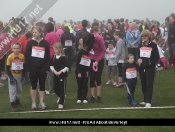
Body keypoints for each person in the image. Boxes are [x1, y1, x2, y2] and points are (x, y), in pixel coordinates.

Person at [25, 26, 50, 110]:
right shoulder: (30, 43)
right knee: (33, 85)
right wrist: (27, 68)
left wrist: (47, 68)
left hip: (43, 67)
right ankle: (33, 103)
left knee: (42, 84)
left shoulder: (45, 43)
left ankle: (41, 102)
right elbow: (27, 55)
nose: (34, 34)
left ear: (40, 33)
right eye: (33, 32)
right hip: (33, 66)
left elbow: (47, 56)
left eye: (36, 32)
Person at [138, 29, 159, 108]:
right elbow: (139, 55)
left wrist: (150, 62)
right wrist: (139, 59)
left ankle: (148, 101)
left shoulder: (153, 45)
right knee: (143, 84)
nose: (144, 37)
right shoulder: (141, 45)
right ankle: (145, 99)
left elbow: (157, 57)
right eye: (142, 36)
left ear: (149, 36)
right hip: (142, 67)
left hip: (150, 67)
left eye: (145, 36)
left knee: (149, 84)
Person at [75, 34, 95, 103]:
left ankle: (84, 97)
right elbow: (77, 63)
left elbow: (89, 63)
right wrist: (78, 72)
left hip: (86, 72)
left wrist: (89, 71)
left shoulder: (89, 53)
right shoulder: (80, 53)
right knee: (79, 85)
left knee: (85, 85)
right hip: (80, 71)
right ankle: (79, 98)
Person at [89, 23, 106, 103]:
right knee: (92, 78)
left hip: (99, 60)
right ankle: (92, 96)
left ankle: (99, 96)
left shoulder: (100, 39)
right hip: (91, 59)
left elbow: (103, 51)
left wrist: (97, 61)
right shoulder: (89, 38)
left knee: (98, 78)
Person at [6, 43, 25, 110]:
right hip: (12, 75)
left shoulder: (22, 56)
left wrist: (23, 76)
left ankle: (17, 102)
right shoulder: (10, 57)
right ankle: (13, 104)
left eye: (17, 48)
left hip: (19, 75)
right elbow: (7, 68)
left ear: (20, 49)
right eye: (14, 48)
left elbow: (23, 66)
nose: (16, 50)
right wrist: (11, 77)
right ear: (12, 49)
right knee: (12, 90)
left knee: (19, 90)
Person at [50, 43, 69, 109]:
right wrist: (54, 71)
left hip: (62, 75)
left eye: (56, 49)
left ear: (60, 49)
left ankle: (61, 102)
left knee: (62, 89)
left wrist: (60, 71)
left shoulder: (63, 57)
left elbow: (67, 66)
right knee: (55, 88)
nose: (54, 51)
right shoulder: (54, 57)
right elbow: (51, 65)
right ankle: (61, 96)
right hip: (56, 75)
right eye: (54, 49)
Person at [44, 22, 60, 95]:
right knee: (56, 71)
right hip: (57, 54)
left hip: (50, 55)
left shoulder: (48, 35)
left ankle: (51, 89)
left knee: (50, 73)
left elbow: (46, 45)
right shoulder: (57, 34)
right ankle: (56, 88)